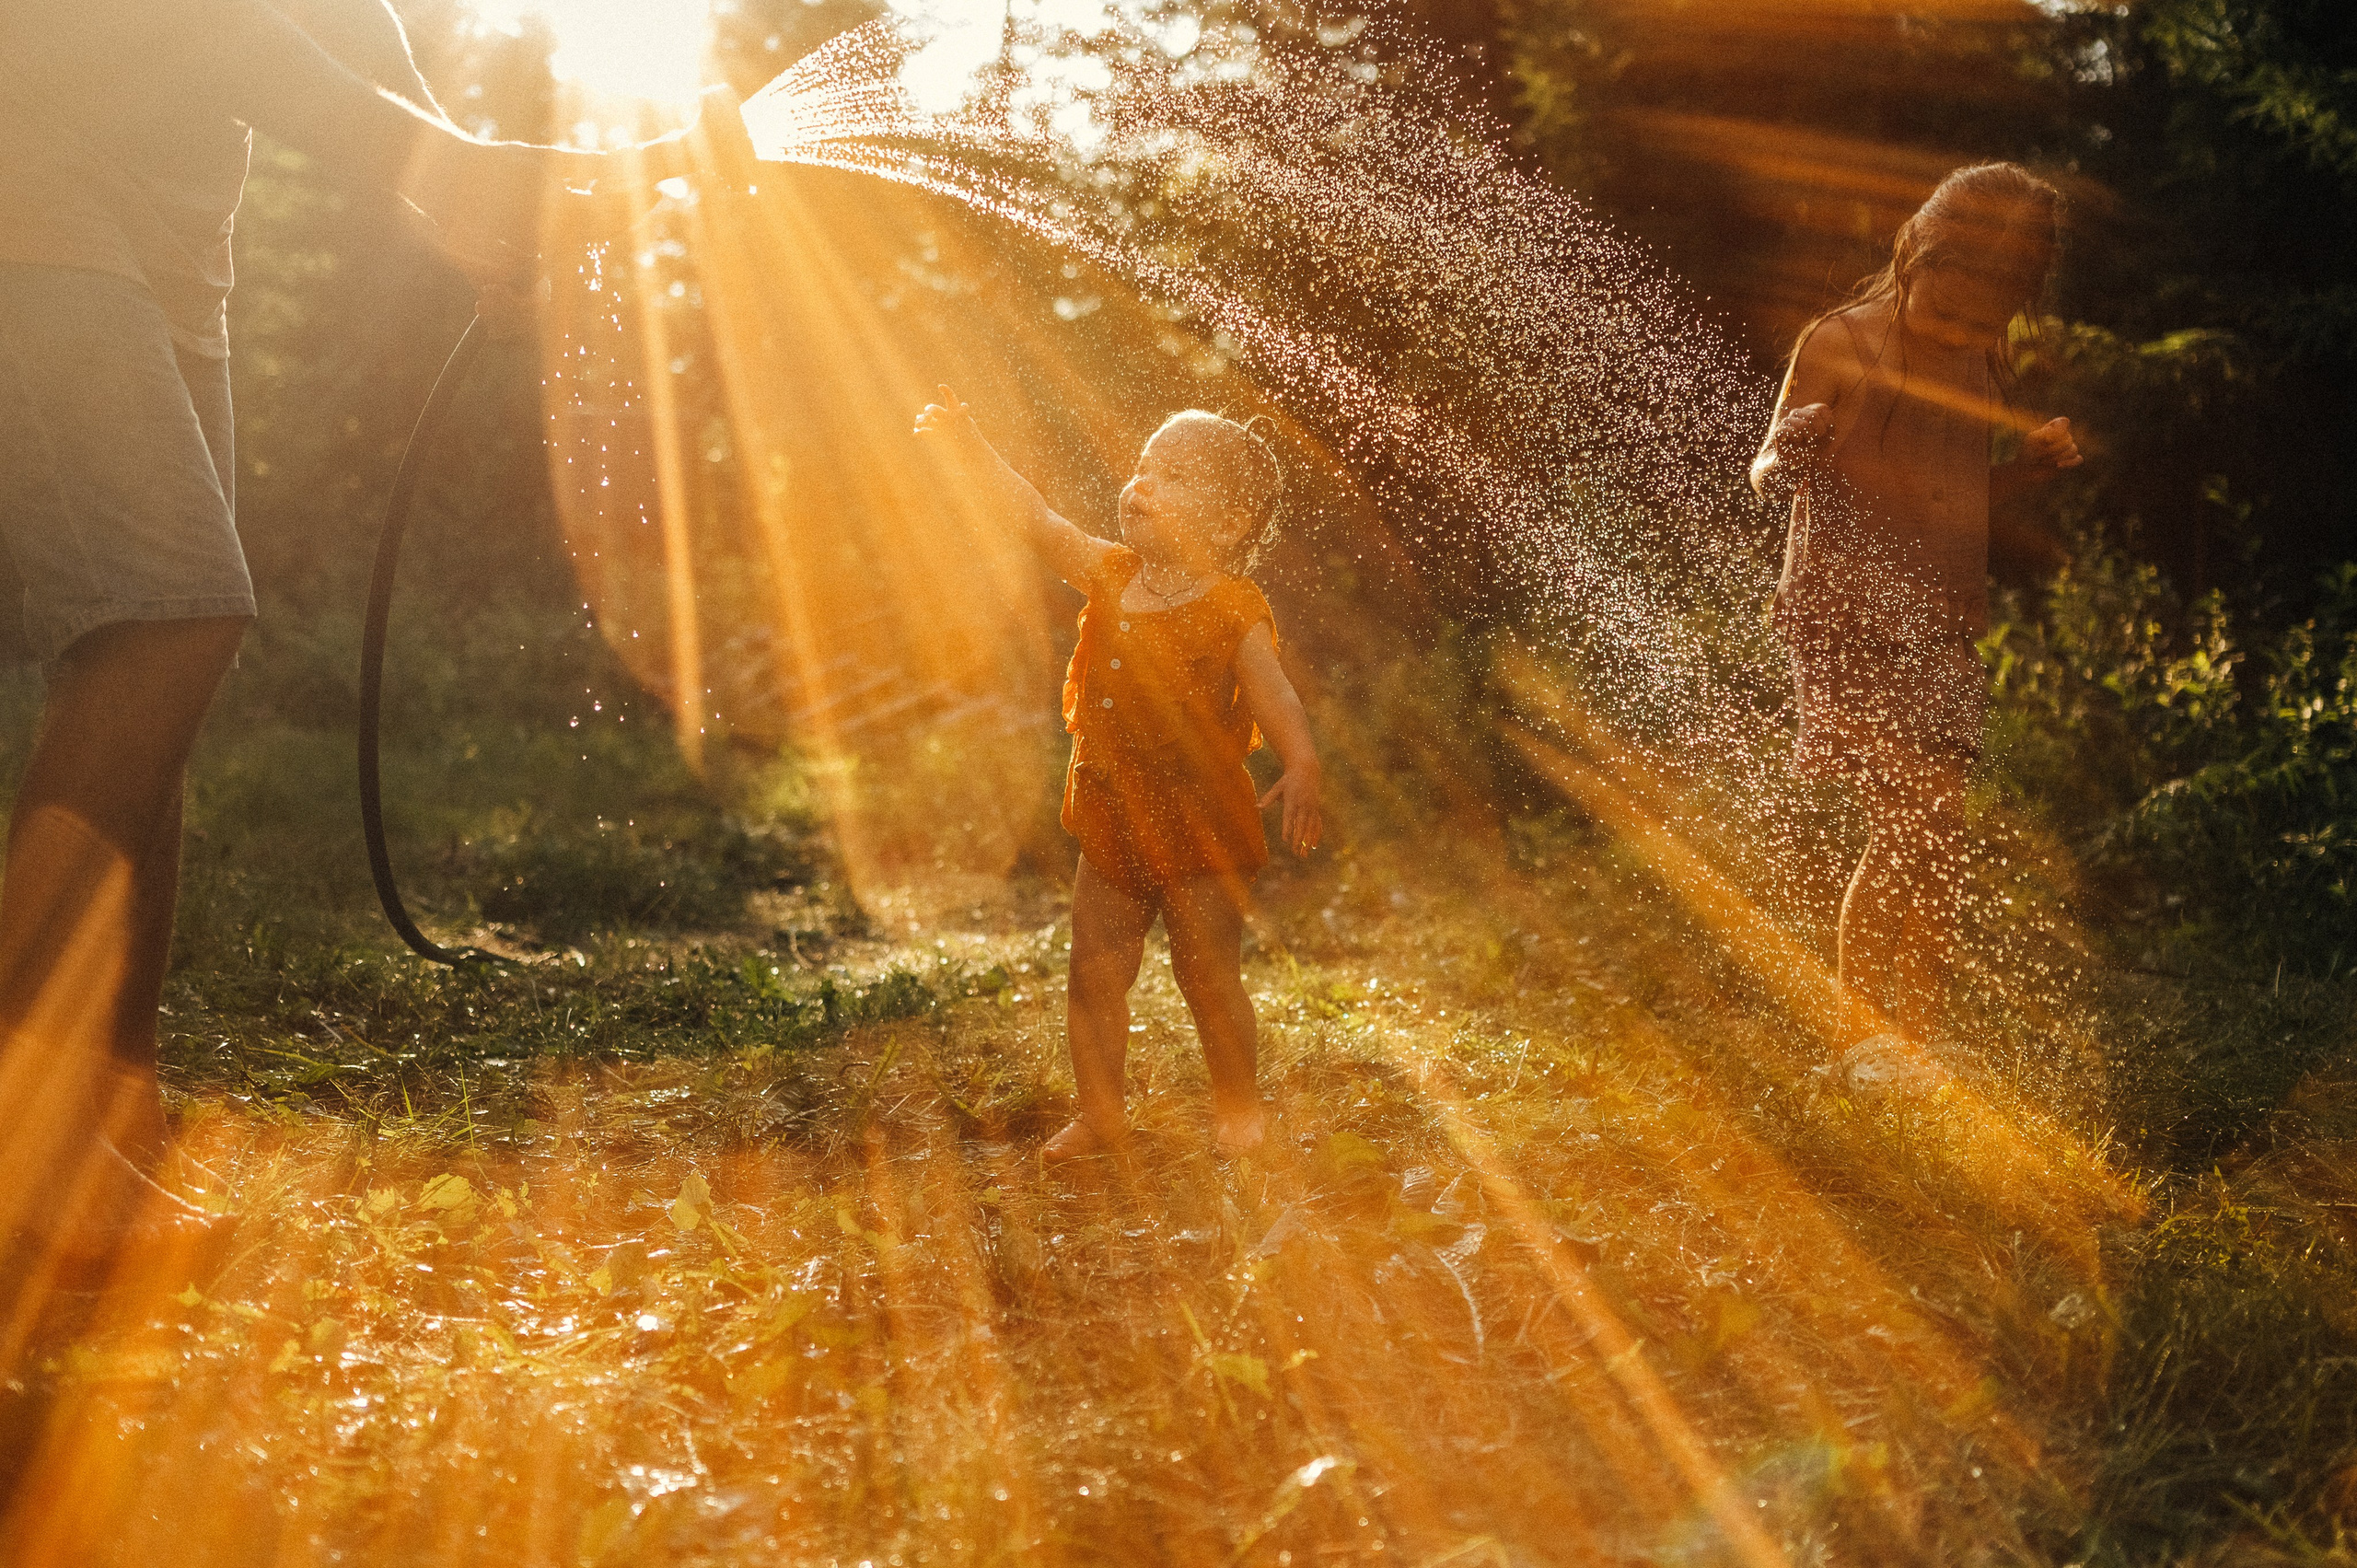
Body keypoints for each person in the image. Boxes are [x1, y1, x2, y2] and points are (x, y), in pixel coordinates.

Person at [0, 0, 615, 1283]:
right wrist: (480, 176)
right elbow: (238, 44)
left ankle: (109, 1112)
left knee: (143, 683)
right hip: (38, 211)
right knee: (175, 610)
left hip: (174, 268)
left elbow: (354, 39)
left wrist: (475, 227)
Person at [913, 389, 1322, 1160]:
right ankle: (1102, 1113)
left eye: (1171, 476)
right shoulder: (1109, 572)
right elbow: (1036, 519)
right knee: (1094, 972)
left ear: (1227, 523)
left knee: (1209, 977)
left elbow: (1276, 692)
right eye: (1142, 466)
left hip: (1201, 820)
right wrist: (971, 445)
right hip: (1113, 815)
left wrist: (1301, 759)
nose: (1142, 483)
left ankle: (1239, 1109)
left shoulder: (1234, 609)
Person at [1749, 162, 2082, 1051]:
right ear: (1915, 254)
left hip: (1940, 622)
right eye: (1945, 312)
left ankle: (1915, 1043)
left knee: (1938, 843)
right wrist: (1792, 454)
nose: (1959, 333)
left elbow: (1958, 491)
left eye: (1982, 321)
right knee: (1907, 826)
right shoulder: (1841, 341)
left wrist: (2027, 471)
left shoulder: (1977, 356)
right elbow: (1767, 472)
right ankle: (1863, 1040)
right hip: (1843, 618)